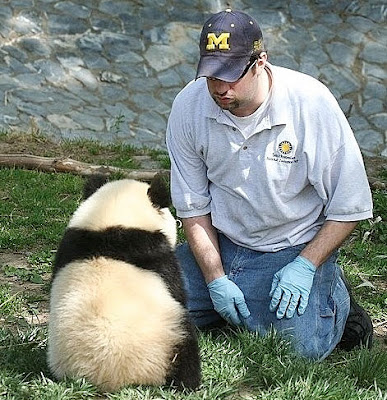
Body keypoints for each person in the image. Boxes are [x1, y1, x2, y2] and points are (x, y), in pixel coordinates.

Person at [166, 9, 373, 360]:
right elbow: (192, 207)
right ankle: (239, 304)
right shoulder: (189, 105)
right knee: (145, 306)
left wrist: (305, 265)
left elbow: (350, 205)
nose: (220, 88)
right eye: (211, 76)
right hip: (223, 242)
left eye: (230, 76)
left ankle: (337, 300)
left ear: (260, 61)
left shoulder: (310, 103)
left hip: (291, 249)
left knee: (297, 350)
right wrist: (214, 278)